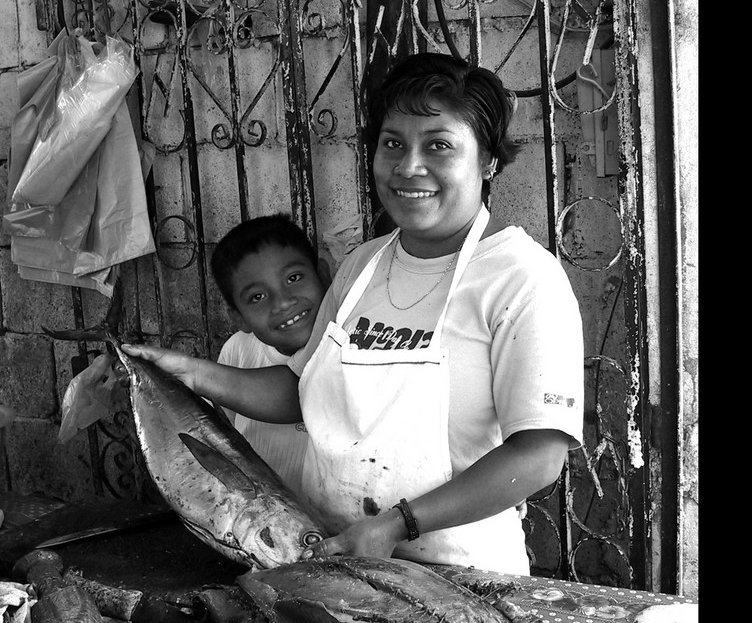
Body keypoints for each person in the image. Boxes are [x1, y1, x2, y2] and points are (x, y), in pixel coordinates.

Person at [121, 52, 584, 576]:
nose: (409, 166)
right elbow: (301, 393)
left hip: (461, 572)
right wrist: (190, 374)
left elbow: (540, 455)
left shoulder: (520, 277)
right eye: (393, 144)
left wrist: (396, 525)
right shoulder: (363, 265)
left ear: (488, 161)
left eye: (439, 145)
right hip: (334, 555)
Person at [210, 214, 329, 491]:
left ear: (324, 275)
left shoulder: (353, 348)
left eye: (294, 278)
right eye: (257, 297)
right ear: (238, 317)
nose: (284, 302)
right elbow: (223, 439)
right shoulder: (237, 351)